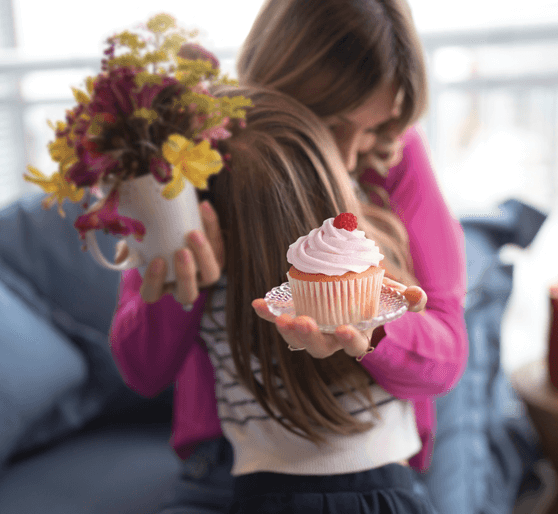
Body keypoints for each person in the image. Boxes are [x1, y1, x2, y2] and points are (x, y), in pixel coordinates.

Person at [109, 1, 469, 512]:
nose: (349, 157)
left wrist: (373, 326)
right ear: (275, 82)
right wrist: (178, 285)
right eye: (331, 123)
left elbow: (447, 352)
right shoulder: (192, 159)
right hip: (230, 466)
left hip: (377, 465)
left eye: (371, 127)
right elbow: (141, 371)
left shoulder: (395, 155)